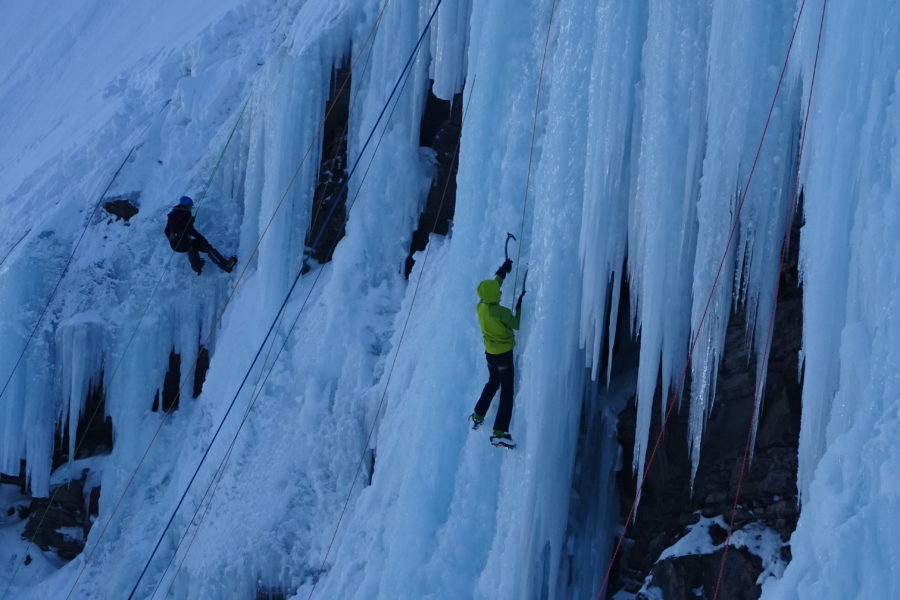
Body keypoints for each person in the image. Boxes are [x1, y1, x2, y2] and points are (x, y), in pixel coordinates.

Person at [470, 258, 525, 449]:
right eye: (498, 292)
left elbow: (492, 287)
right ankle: (500, 432)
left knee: (493, 382)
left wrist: (502, 271)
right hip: (504, 356)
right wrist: (519, 307)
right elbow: (516, 324)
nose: (500, 291)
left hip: (490, 355)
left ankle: (478, 415)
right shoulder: (499, 312)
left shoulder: (481, 307)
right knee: (507, 391)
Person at [164, 196, 236, 275]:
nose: (191, 208)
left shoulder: (174, 214)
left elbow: (167, 230)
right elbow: (190, 230)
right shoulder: (185, 213)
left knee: (192, 247)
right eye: (190, 205)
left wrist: (173, 239)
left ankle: (197, 267)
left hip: (175, 245)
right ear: (186, 205)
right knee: (207, 247)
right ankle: (226, 266)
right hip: (181, 242)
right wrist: (202, 238)